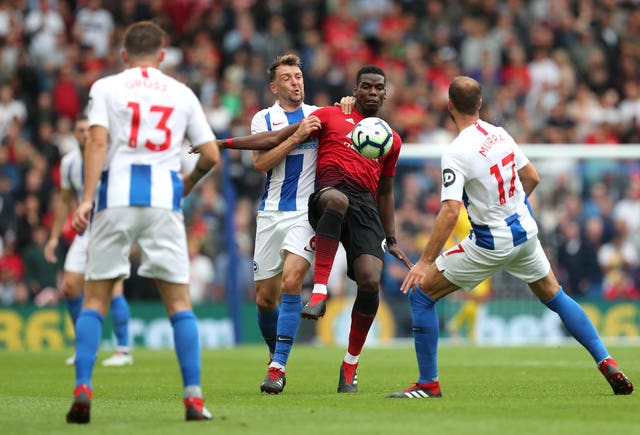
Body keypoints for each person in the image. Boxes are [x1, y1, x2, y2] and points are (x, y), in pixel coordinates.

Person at [387, 76, 633, 399]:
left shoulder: (456, 151)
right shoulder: (499, 134)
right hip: (525, 232)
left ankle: (427, 384)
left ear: (448, 106)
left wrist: (424, 261)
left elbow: (449, 212)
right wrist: (513, 208)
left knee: (421, 294)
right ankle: (606, 360)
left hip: (490, 242)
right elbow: (532, 176)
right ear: (479, 104)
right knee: (557, 297)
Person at [219, 65, 411, 394]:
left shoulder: (390, 139)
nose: (373, 93)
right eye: (366, 87)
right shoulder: (328, 115)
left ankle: (345, 363)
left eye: (379, 88)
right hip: (309, 201)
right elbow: (271, 144)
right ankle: (292, 330)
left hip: (350, 208)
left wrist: (391, 237)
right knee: (265, 299)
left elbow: (386, 191)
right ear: (356, 88)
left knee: (368, 281)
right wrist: (223, 143)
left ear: (386, 93)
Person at [66, 21, 220, 423]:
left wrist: (86, 199)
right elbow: (210, 155)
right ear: (163, 54)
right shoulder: (181, 93)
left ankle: (83, 387)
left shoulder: (105, 87)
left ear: (123, 55)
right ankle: (193, 398)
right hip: (163, 202)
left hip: (114, 198)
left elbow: (97, 142)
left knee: (95, 297)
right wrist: (185, 185)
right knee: (179, 304)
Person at [250, 54, 354, 394]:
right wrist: (296, 137)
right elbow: (261, 163)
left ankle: (278, 368)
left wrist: (349, 110)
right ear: (274, 86)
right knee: (265, 299)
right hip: (270, 212)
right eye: (288, 78)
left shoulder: (319, 115)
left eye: (299, 76)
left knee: (292, 280)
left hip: (305, 214)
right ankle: (275, 352)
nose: (296, 82)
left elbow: (350, 126)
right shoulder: (263, 120)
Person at [44, 115, 133, 367]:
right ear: (74, 134)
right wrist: (52, 237)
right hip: (85, 232)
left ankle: (123, 349)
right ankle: (83, 346)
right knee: (70, 286)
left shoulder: (109, 158)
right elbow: (64, 200)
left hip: (111, 227)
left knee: (113, 284)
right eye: (80, 130)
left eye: (88, 129)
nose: (84, 134)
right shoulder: (69, 163)